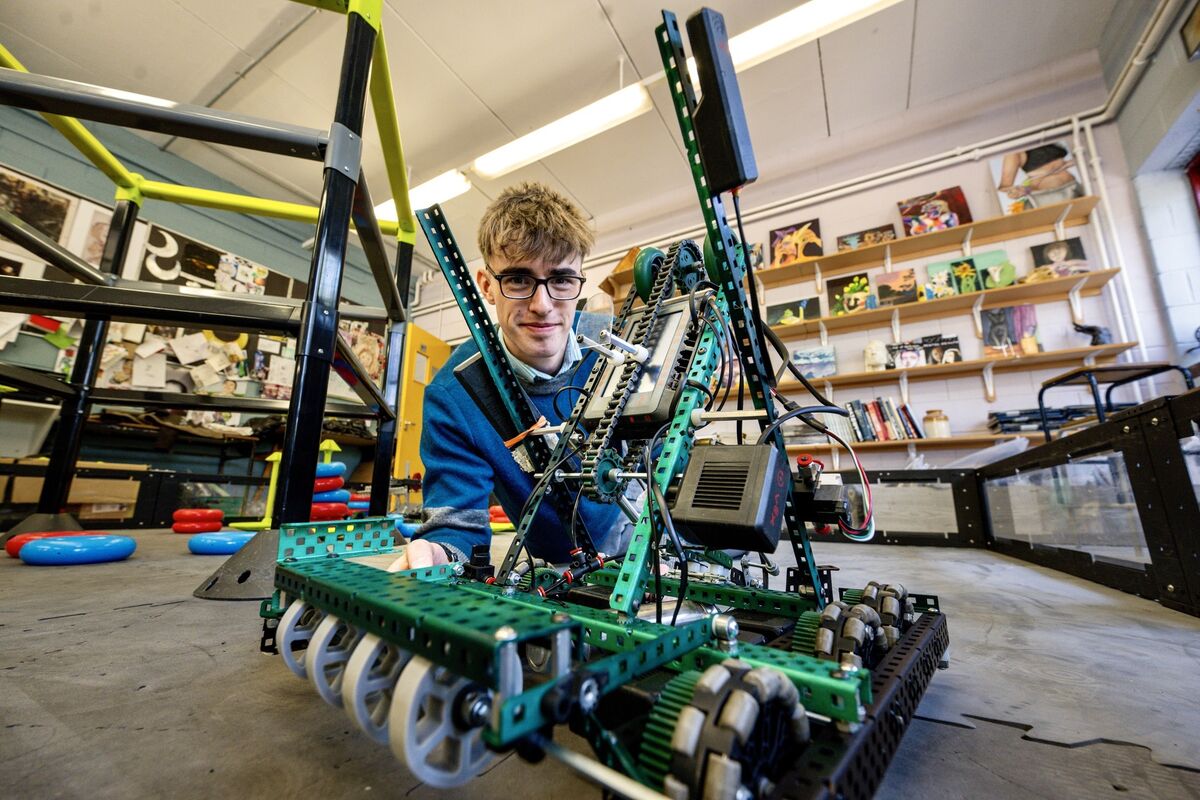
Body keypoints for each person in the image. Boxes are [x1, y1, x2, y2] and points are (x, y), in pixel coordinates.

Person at [389, 182, 634, 571]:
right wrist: (436, 554)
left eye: (562, 280)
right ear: (487, 285)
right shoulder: (455, 394)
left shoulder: (619, 348)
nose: (542, 305)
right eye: (518, 280)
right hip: (562, 569)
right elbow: (456, 528)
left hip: (651, 541)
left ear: (579, 281)